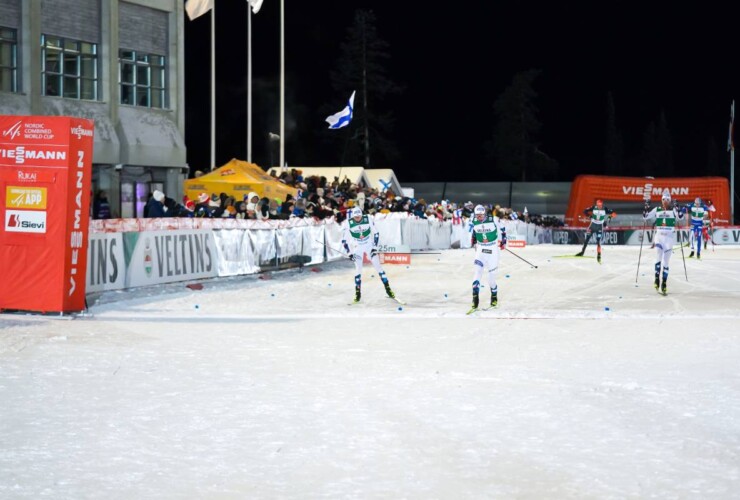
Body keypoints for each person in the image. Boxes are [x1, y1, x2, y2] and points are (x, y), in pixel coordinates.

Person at [341, 206, 396, 303]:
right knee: (358, 270)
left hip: (369, 245)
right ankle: (357, 294)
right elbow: (344, 240)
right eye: (356, 217)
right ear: (353, 217)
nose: (358, 219)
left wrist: (374, 247)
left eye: (359, 217)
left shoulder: (367, 219)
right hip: (357, 247)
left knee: (378, 267)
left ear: (362, 215)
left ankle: (388, 290)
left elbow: (376, 233)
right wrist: (349, 253)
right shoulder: (349, 223)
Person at [643, 189, 685, 295]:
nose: (665, 201)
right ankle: (657, 279)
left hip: (669, 239)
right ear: (661, 200)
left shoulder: (673, 210)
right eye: (663, 199)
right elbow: (645, 217)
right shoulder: (657, 209)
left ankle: (664, 283)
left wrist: (678, 207)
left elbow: (681, 217)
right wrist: (646, 207)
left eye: (667, 199)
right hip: (659, 237)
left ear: (670, 200)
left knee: (666, 262)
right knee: (658, 258)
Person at [468, 204, 507, 310]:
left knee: (491, 280)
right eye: (477, 215)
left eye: (481, 215)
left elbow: (503, 228)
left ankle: (494, 295)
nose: (479, 217)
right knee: (477, 271)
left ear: (484, 214)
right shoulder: (474, 220)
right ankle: (475, 298)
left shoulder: (493, 219)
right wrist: (474, 238)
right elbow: (475, 230)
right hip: (481, 250)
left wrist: (504, 241)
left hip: (493, 251)